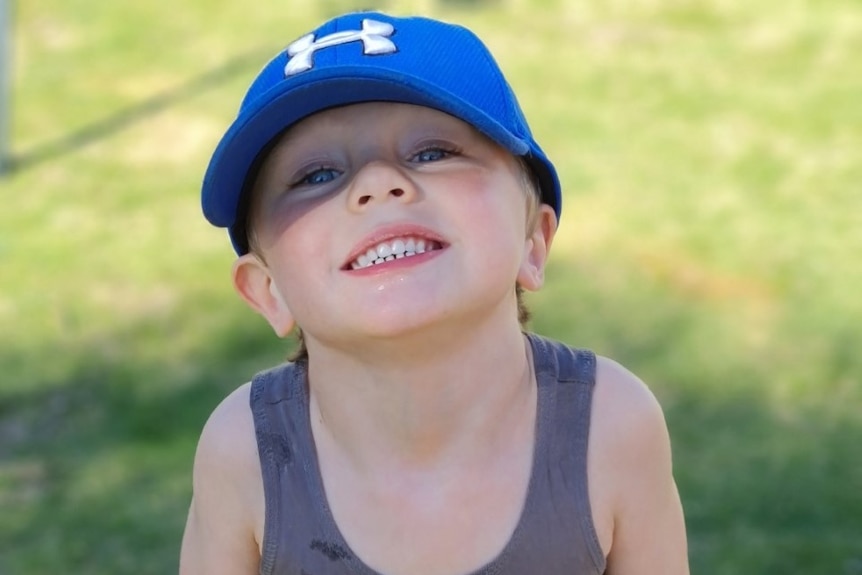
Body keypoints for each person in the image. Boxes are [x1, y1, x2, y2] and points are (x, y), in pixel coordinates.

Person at [180, 11, 689, 575]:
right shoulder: (247, 452)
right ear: (267, 291)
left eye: (431, 152)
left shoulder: (610, 427)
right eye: (316, 175)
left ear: (533, 242)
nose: (377, 185)